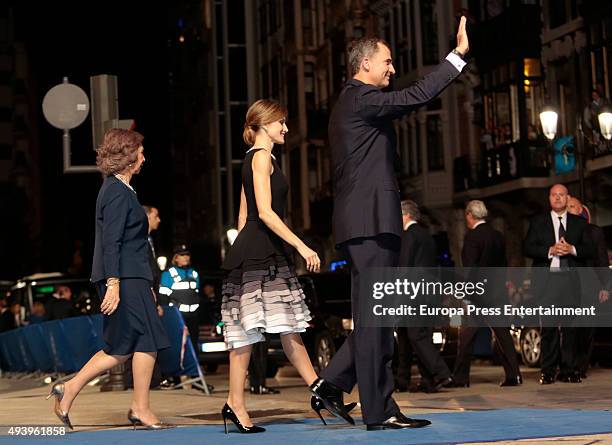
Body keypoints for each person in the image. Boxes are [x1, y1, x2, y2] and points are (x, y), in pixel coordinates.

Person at [314, 17, 469, 431]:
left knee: (374, 316)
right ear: (364, 64)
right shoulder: (361, 99)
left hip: (367, 223)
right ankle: (378, 410)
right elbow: (417, 95)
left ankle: (334, 386)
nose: (392, 68)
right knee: (377, 316)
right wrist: (456, 57)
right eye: (387, 61)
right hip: (368, 224)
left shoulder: (353, 102)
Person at [221, 99, 348, 434]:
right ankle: (238, 402)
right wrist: (301, 244)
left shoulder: (258, 158)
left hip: (259, 251)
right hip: (261, 252)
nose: (286, 129)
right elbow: (262, 212)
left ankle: (319, 389)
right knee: (252, 332)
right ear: (264, 124)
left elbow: (242, 213)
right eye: (281, 123)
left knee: (283, 325)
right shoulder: (261, 157)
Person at [46, 128, 172, 431]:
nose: (144, 155)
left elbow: (132, 243)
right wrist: (114, 284)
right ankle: (137, 407)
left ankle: (73, 389)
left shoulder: (125, 190)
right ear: (128, 156)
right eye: (140, 150)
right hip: (123, 277)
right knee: (135, 343)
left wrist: (146, 287)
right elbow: (111, 242)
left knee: (130, 344)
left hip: (134, 278)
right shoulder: (115, 191)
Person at [524, 184, 592, 385]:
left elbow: (589, 250)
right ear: (549, 199)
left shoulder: (579, 223)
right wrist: (550, 250)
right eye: (554, 195)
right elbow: (527, 247)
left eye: (561, 195)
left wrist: (571, 249)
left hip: (570, 280)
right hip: (547, 281)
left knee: (571, 328)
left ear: (567, 197)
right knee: (549, 328)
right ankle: (548, 371)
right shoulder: (538, 222)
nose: (558, 198)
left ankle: (569, 370)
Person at [452, 200, 522, 387]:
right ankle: (514, 375)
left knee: (466, 336)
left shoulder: (472, 237)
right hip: (497, 291)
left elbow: (470, 269)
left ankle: (460, 378)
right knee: (503, 335)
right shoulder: (498, 236)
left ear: (469, 215)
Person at [395, 200, 452, 393]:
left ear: (406, 216)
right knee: (419, 336)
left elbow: (405, 266)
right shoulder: (427, 234)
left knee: (416, 336)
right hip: (429, 292)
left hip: (414, 293)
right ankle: (425, 381)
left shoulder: (409, 236)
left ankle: (442, 373)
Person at [567, 196, 609, 378]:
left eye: (572, 206)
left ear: (580, 210)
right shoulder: (560, 232)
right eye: (566, 207)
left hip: (590, 285)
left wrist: (605, 286)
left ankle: (580, 366)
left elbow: (602, 260)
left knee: (586, 327)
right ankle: (569, 365)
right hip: (567, 285)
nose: (568, 209)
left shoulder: (594, 232)